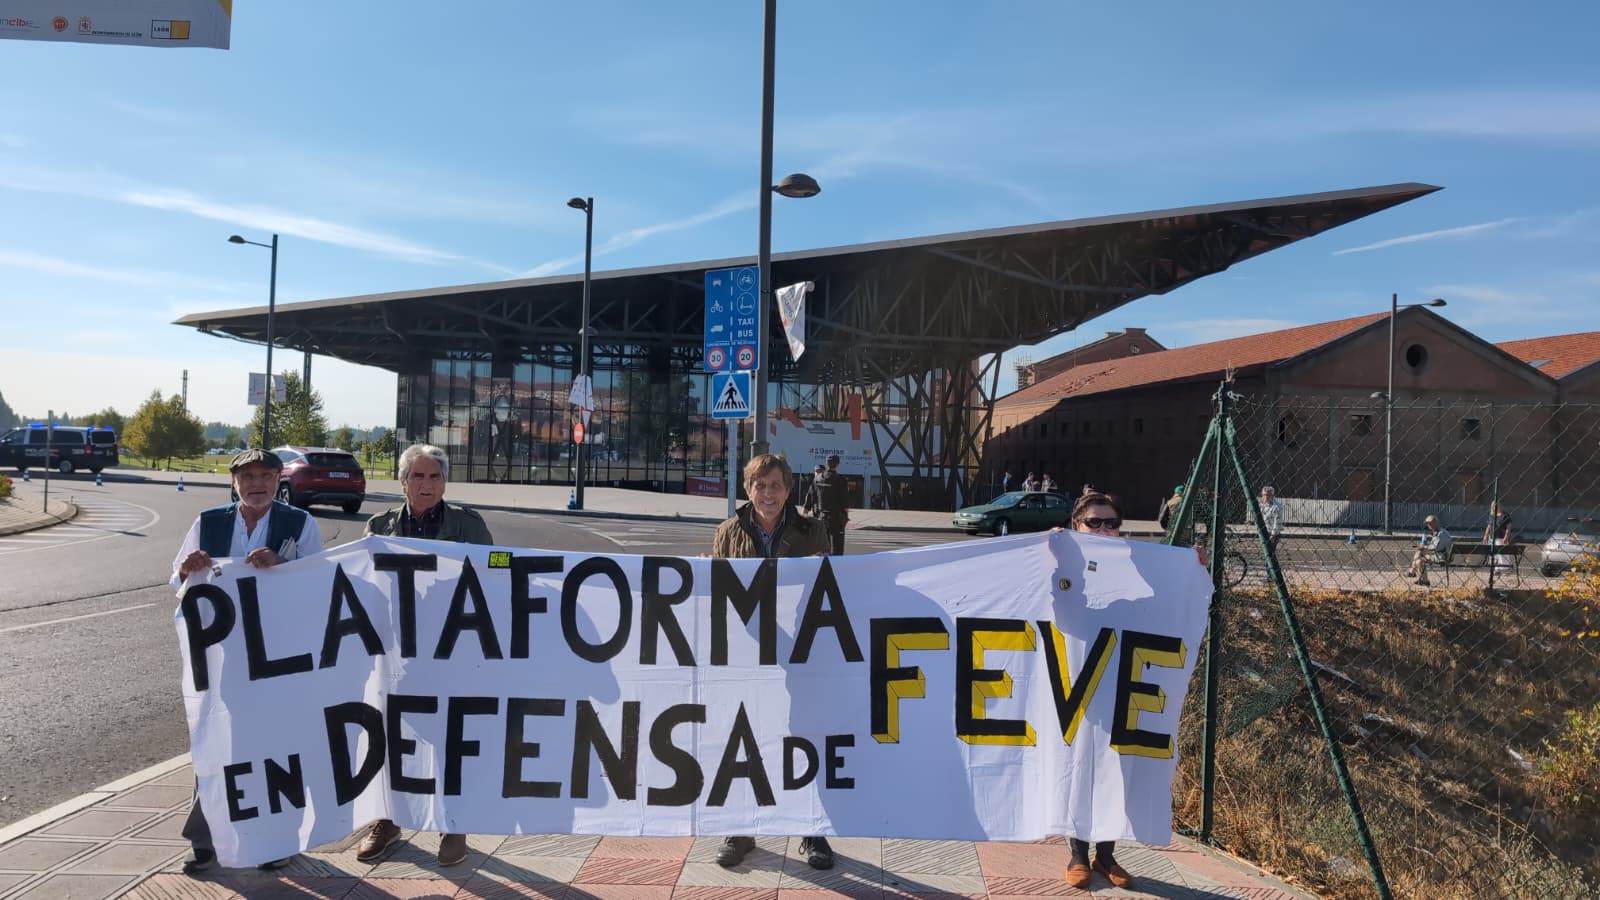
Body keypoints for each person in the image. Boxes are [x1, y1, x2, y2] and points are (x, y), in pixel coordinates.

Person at [171, 449, 325, 875]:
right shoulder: (208, 521)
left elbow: (320, 581)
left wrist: (282, 565)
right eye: (248, 476)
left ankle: (277, 839)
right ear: (234, 480)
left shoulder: (299, 523)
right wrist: (188, 570)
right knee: (214, 742)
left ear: (279, 479)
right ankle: (206, 840)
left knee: (276, 748)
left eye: (266, 475)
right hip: (221, 656)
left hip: (278, 655)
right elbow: (177, 581)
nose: (257, 483)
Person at [354, 444, 494, 867]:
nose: (427, 484)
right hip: (396, 652)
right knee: (389, 737)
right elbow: (361, 584)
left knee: (450, 739)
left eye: (435, 477)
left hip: (452, 651)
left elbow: (498, 570)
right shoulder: (379, 526)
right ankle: (389, 820)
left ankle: (454, 824)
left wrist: (511, 565)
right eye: (418, 476)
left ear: (445, 482)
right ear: (403, 482)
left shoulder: (468, 526)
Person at [711, 453, 835, 870]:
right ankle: (740, 829)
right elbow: (715, 592)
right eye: (759, 485)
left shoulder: (812, 531)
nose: (768, 494)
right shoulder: (727, 532)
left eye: (776, 485)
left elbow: (828, 593)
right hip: (747, 657)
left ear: (789, 489)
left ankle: (813, 830)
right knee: (744, 739)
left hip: (799, 654)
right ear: (747, 489)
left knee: (802, 739)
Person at [1062, 492, 1136, 891]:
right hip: (1074, 678)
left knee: (1116, 769)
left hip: (1121, 678)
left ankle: (1105, 855)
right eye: (1094, 522)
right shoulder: (1061, 557)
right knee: (1079, 765)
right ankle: (1077, 852)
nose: (1104, 529)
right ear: (1077, 524)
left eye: (1110, 523)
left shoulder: (1137, 564)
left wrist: (1193, 568)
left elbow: (1170, 599)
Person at [805, 453, 850, 555]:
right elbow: (845, 501)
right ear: (838, 465)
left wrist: (805, 512)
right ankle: (835, 568)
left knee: (823, 549)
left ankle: (824, 568)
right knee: (837, 549)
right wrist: (846, 515)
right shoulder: (841, 480)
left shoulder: (817, 479)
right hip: (836, 518)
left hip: (821, 517)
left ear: (826, 464)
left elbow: (810, 496)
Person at [1405, 515, 1453, 586]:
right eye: (1428, 523)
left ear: (1436, 523)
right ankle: (1415, 574)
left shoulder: (1440, 534)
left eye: (1431, 523)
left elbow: (1434, 547)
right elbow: (1438, 547)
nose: (1429, 525)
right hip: (1445, 555)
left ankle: (1414, 573)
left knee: (1419, 556)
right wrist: (1424, 547)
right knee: (1419, 555)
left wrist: (1424, 547)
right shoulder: (1443, 531)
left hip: (1440, 557)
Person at [1483, 501, 1514, 570]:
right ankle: (1497, 568)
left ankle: (1505, 568)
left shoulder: (1505, 515)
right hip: (1492, 538)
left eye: (1496, 506)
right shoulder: (1492, 516)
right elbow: (1489, 526)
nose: (1495, 507)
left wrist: (1506, 537)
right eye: (1494, 506)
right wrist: (1485, 536)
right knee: (1495, 554)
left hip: (1501, 538)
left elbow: (1509, 527)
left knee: (1502, 553)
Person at [1259, 485, 1283, 550]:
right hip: (1264, 530)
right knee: (1266, 551)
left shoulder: (1276, 507)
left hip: (1272, 533)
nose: (1265, 497)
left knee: (1270, 551)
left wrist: (1273, 535)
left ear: (1272, 496)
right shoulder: (1261, 505)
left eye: (1267, 495)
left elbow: (1277, 522)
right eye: (1263, 495)